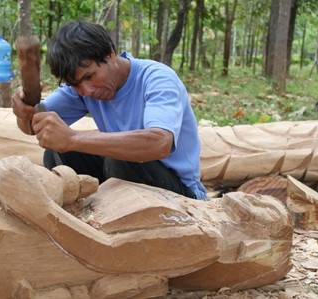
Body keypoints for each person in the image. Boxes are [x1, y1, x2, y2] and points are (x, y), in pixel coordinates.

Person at [12, 20, 207, 199]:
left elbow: (160, 143)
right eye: (76, 85)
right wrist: (24, 110)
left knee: (119, 160)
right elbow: (33, 126)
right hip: (126, 181)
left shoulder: (157, 79)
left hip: (181, 194)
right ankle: (90, 216)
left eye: (90, 76)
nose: (86, 90)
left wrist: (72, 138)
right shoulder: (82, 89)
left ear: (110, 54)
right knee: (59, 153)